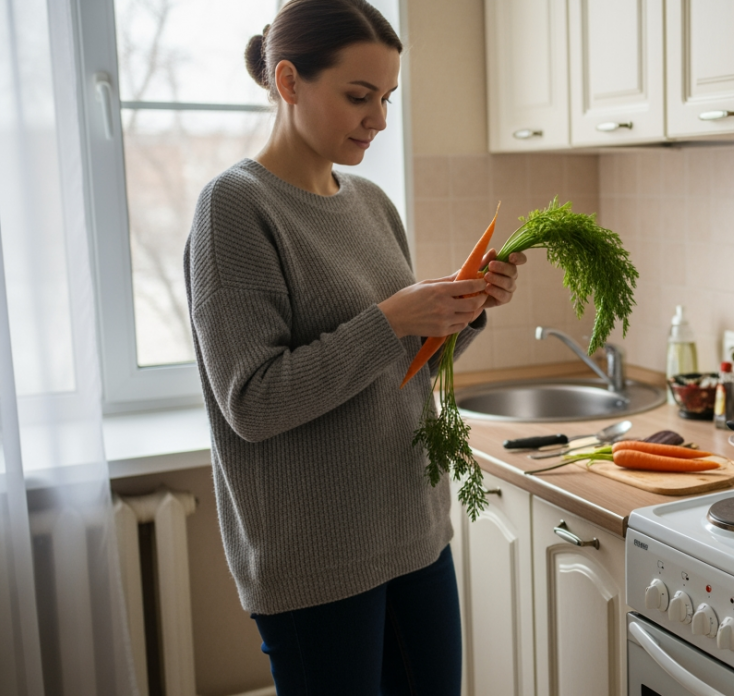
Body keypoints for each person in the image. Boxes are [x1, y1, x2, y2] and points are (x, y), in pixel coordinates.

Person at [183, 0, 523, 692]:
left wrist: (464, 310)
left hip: (414, 533)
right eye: (358, 97)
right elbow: (253, 401)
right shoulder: (235, 209)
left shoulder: (371, 203)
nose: (379, 119)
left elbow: (401, 371)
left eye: (387, 97)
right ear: (289, 82)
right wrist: (392, 318)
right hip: (316, 562)